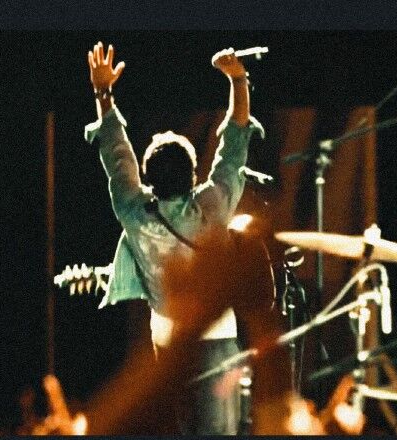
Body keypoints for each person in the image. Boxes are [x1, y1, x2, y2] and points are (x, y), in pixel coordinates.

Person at [83, 41, 264, 435]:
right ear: (194, 178)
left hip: (166, 340)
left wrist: (103, 91)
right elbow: (234, 145)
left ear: (149, 179)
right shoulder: (212, 207)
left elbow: (117, 153)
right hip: (217, 337)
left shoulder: (134, 212)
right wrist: (237, 80)